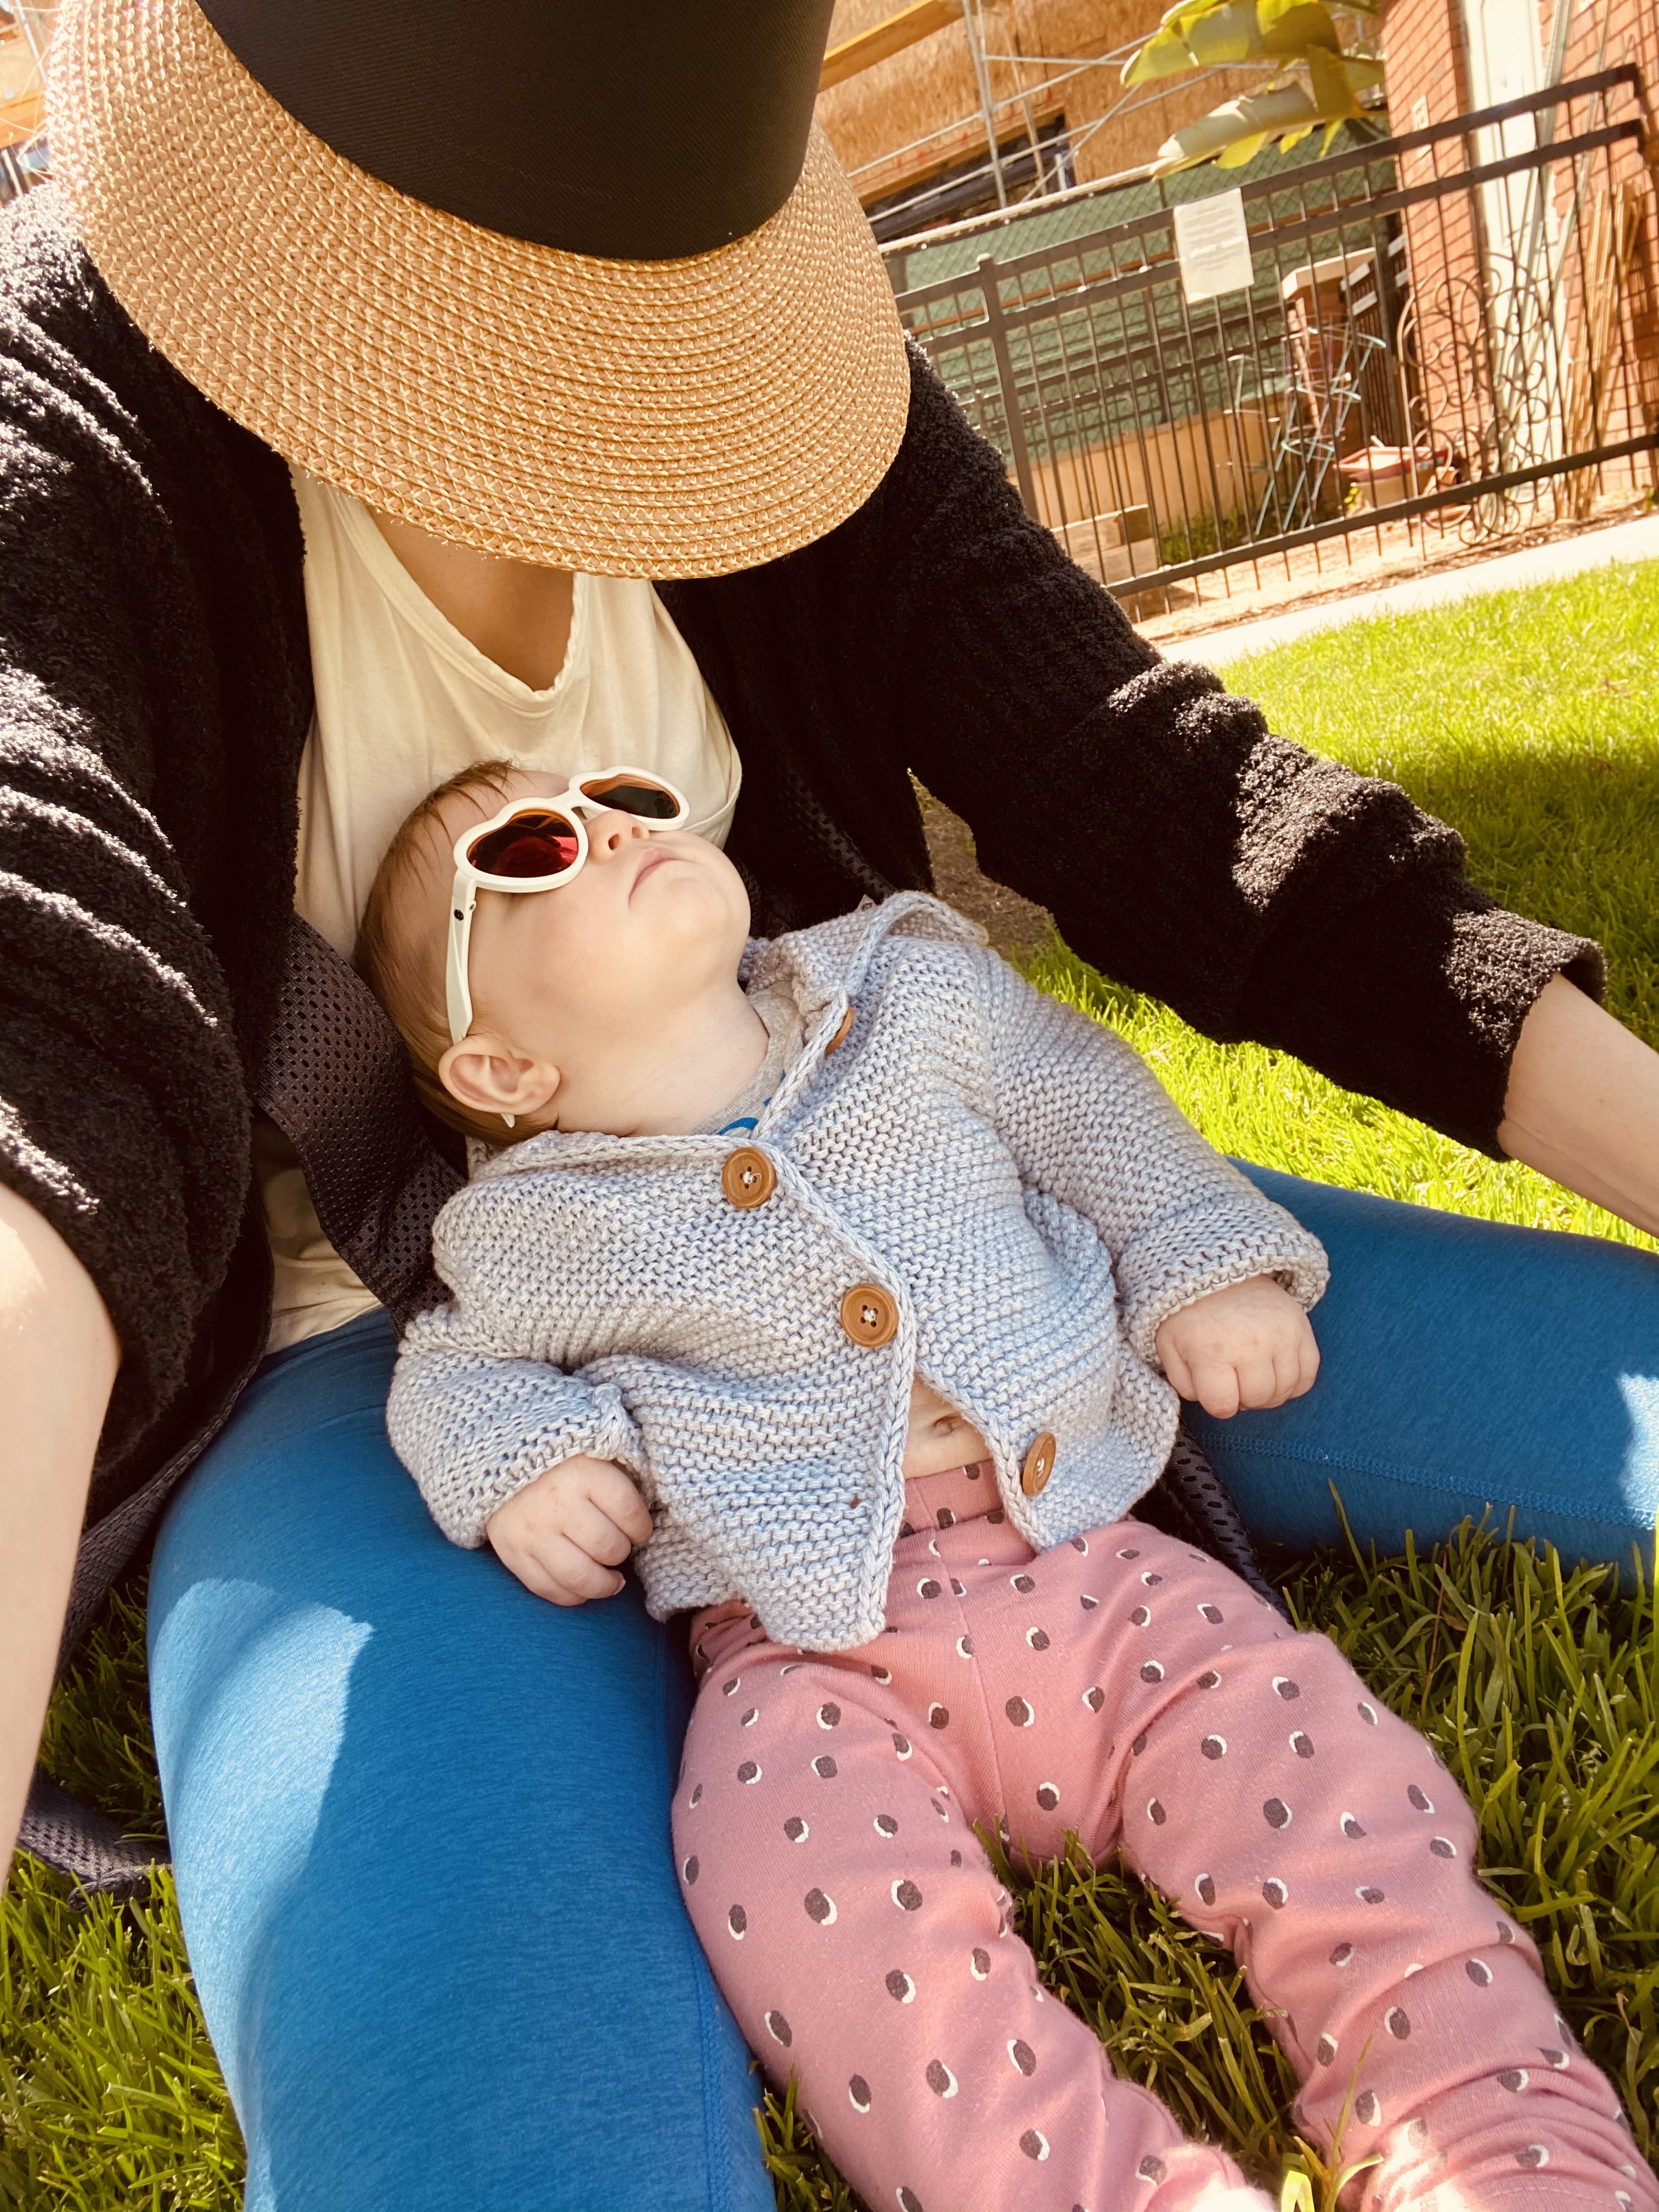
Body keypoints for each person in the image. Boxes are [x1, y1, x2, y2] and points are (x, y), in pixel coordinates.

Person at [2, 0, 1658, 2204]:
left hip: (937, 1217)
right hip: (370, 1371)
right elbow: (49, 1058)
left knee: (1620, 1394)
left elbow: (1164, 799)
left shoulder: (772, 381)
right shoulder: (71, 423)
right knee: (496, 2120)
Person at [362, 758, 1650, 2212]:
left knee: (1327, 1784)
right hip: (808, 1666)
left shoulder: (911, 992)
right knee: (805, 1913)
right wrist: (523, 1466)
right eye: (532, 850)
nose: (609, 828)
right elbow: (452, 1368)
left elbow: (1098, 1115)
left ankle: (1502, 2145)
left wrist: (1200, 1262)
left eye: (623, 797)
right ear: (500, 1071)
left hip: (1096, 1572)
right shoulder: (531, 1228)